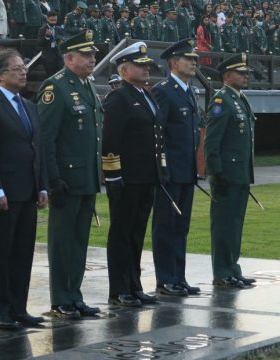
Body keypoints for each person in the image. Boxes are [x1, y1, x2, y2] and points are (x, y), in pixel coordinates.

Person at [0, 49, 48, 330]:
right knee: (1, 253)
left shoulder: (28, 105)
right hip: (4, 192)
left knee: (23, 252)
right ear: (1, 74)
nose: (23, 72)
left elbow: (36, 149)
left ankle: (19, 307)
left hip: (28, 190)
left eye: (23, 67)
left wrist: (42, 187)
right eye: (16, 68)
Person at [38, 30, 103, 320]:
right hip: (66, 179)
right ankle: (61, 298)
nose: (92, 59)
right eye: (86, 55)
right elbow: (45, 139)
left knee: (79, 241)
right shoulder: (56, 87)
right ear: (69, 57)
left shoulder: (87, 86)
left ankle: (74, 295)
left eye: (93, 55)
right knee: (63, 241)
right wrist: (53, 179)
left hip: (87, 178)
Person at [103, 42, 167, 307]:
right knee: (121, 232)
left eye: (147, 66)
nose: (145, 70)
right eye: (140, 66)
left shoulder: (146, 95)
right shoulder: (120, 97)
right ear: (124, 69)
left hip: (146, 177)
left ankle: (135, 284)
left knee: (137, 232)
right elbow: (110, 140)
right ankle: (119, 289)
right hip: (127, 178)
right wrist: (113, 176)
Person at [151, 39, 202, 298]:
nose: (194, 62)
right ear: (173, 62)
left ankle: (179, 277)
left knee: (181, 227)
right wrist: (162, 169)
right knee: (166, 226)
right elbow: (157, 133)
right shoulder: (164, 90)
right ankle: (165, 279)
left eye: (194, 59)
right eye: (188, 58)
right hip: (169, 172)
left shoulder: (188, 90)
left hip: (186, 171)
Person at [204, 53, 256, 289]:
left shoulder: (239, 99)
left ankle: (233, 269)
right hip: (227, 174)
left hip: (240, 173)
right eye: (241, 72)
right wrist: (217, 172)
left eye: (246, 73)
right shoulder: (221, 101)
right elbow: (212, 142)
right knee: (224, 224)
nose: (246, 76)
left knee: (235, 223)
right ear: (226, 75)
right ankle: (222, 272)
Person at [38, 10, 64, 77]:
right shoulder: (42, 29)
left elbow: (64, 39)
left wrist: (61, 41)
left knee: (61, 75)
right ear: (47, 19)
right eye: (51, 20)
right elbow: (39, 43)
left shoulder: (59, 29)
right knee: (50, 76)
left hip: (59, 57)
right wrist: (47, 37)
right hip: (48, 57)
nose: (53, 22)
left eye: (55, 20)